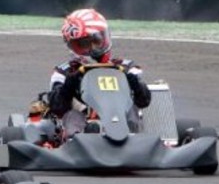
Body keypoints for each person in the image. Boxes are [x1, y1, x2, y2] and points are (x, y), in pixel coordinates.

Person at [45, 8, 151, 137]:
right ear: (74, 46)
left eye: (97, 41)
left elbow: (144, 102)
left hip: (119, 118)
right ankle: (80, 139)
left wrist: (135, 84)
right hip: (83, 125)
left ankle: (133, 140)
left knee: (132, 110)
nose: (94, 48)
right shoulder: (64, 72)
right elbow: (57, 108)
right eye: (86, 43)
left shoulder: (126, 67)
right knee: (72, 116)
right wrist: (70, 84)